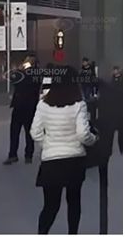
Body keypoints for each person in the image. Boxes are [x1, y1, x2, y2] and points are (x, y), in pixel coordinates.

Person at [30, 65, 97, 234]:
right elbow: (83, 134)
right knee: (74, 202)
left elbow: (35, 132)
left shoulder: (43, 105)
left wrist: (48, 145)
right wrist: (93, 139)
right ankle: (72, 234)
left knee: (50, 206)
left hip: (51, 162)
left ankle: (42, 234)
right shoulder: (79, 104)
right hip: (74, 160)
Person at [3, 54, 40, 165]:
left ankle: (13, 155)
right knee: (27, 132)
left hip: (21, 105)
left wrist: (20, 69)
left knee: (16, 131)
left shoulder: (24, 74)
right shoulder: (36, 74)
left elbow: (13, 79)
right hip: (29, 106)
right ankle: (28, 155)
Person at [78, 57, 98, 121]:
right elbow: (80, 76)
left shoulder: (91, 69)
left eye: (85, 62)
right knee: (85, 97)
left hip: (89, 85)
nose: (84, 63)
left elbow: (94, 76)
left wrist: (94, 84)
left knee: (87, 97)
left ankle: (89, 110)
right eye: (83, 62)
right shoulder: (82, 69)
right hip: (84, 85)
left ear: (87, 62)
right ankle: (87, 110)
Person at [110, 66, 123, 154]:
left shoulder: (122, 80)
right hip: (114, 107)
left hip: (120, 106)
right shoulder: (111, 80)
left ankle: (122, 148)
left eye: (116, 70)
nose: (115, 71)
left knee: (121, 130)